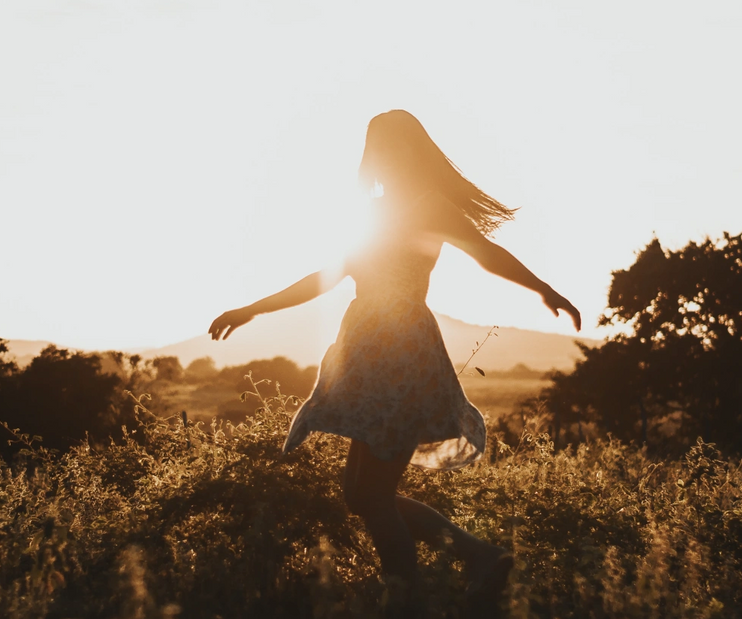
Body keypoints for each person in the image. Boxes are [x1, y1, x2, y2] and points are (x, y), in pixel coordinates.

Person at [208, 109, 581, 614]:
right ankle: (479, 557)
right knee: (361, 495)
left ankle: (410, 599)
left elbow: (486, 255)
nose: (378, 160)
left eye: (388, 149)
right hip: (367, 355)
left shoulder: (432, 206)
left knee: (374, 495)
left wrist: (545, 289)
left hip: (401, 354)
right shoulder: (372, 212)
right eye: (374, 150)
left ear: (410, 152)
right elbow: (327, 275)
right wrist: (253, 309)